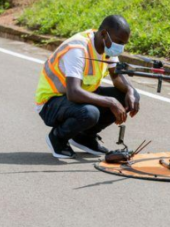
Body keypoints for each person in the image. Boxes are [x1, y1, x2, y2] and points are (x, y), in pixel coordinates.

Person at [35, 15, 140, 159]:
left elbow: (116, 77)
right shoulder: (78, 49)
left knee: (127, 96)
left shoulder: (107, 46)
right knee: (90, 113)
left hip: (78, 97)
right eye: (119, 42)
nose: (121, 47)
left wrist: (130, 91)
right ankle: (57, 138)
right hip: (52, 102)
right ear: (104, 34)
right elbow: (73, 92)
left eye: (124, 43)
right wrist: (111, 102)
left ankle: (84, 137)